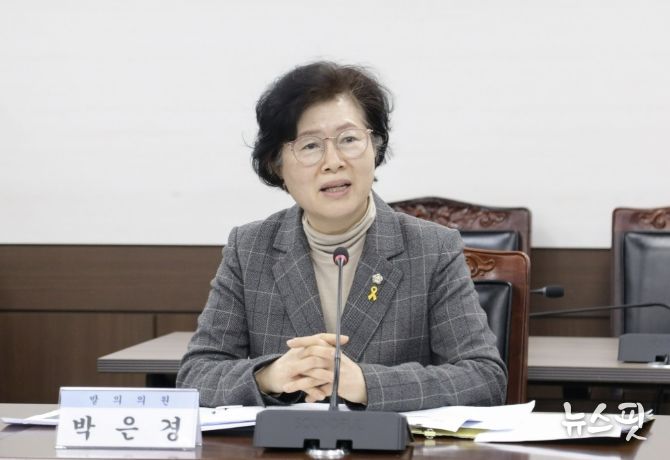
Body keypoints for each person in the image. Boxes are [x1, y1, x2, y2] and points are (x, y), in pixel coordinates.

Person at [176, 61, 507, 411]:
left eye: (349, 139)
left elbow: (484, 379)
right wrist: (269, 376)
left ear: (375, 147)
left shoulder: (431, 249)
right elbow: (196, 375)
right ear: (276, 165)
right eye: (310, 146)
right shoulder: (250, 249)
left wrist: (365, 383)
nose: (333, 161)